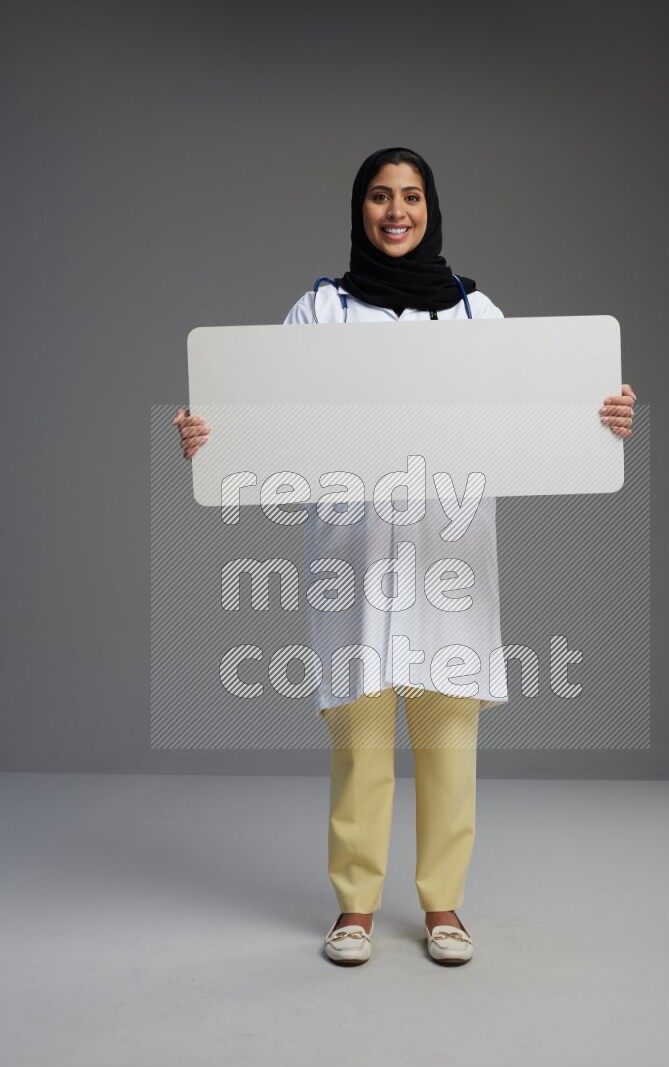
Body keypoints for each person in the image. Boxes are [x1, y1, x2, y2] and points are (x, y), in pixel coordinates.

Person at [173, 147, 636, 967]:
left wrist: (598, 416)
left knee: (448, 731)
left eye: (412, 196)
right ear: (360, 209)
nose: (397, 211)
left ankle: (443, 906)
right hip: (350, 555)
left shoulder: (473, 314)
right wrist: (210, 437)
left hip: (445, 552)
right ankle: (353, 908)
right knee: (359, 732)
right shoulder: (318, 312)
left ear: (431, 209)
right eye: (381, 196)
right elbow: (258, 410)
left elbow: (532, 416)